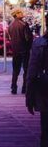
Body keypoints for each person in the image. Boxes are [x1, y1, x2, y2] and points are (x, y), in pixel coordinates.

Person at [26, 17, 48, 147]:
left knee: (45, 128)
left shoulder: (39, 43)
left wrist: (29, 97)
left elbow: (32, 72)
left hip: (45, 88)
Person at [8, 8, 33, 94]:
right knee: (26, 70)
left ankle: (13, 87)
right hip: (24, 50)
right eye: (21, 13)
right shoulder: (24, 24)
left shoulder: (10, 25)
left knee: (15, 70)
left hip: (15, 50)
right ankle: (24, 88)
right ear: (17, 14)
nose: (22, 14)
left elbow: (10, 37)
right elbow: (28, 38)